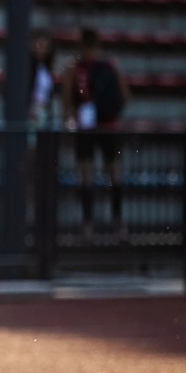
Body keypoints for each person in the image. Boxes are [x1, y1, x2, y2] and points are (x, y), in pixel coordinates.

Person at [61, 26, 129, 240]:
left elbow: (66, 102)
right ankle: (115, 223)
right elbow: (125, 97)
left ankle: (90, 223)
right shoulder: (110, 66)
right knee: (111, 174)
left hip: (90, 128)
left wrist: (70, 120)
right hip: (107, 127)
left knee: (89, 175)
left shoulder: (75, 69)